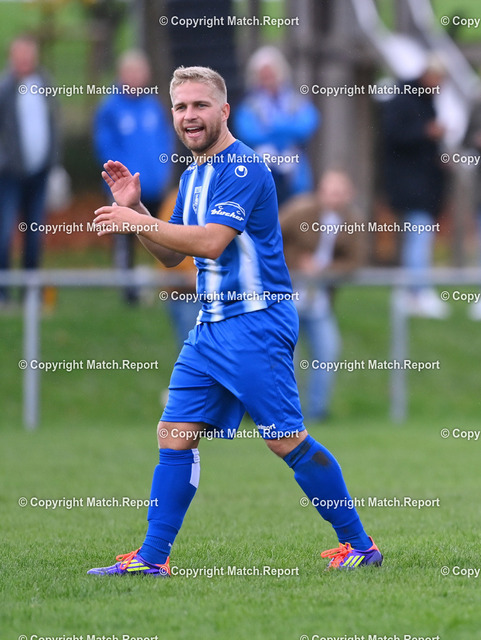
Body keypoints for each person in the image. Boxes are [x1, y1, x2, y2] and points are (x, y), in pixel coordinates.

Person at [88, 66, 382, 576]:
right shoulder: (191, 176)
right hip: (211, 327)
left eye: (200, 105)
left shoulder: (243, 167)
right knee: (174, 432)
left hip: (255, 321)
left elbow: (209, 242)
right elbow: (171, 255)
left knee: (285, 439)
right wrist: (138, 213)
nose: (189, 116)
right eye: (180, 107)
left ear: (224, 111)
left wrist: (138, 220)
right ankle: (152, 559)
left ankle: (360, 544)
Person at [280, 170, 364, 421]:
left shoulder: (352, 221)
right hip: (287, 298)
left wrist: (324, 269)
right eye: (329, 191)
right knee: (286, 359)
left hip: (319, 302)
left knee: (327, 352)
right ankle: (285, 413)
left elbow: (354, 262)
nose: (333, 198)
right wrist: (296, 263)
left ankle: (317, 411)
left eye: (339, 193)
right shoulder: (299, 211)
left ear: (349, 195)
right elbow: (269, 236)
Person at [93, 49, 173, 304]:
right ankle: (127, 291)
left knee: (160, 235)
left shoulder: (153, 106)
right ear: (121, 74)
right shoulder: (110, 108)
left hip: (155, 186)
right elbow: (105, 147)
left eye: (140, 72)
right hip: (125, 190)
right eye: (131, 72)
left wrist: (163, 171)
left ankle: (166, 286)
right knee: (126, 239)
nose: (136, 77)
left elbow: (164, 141)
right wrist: (120, 181)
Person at [381, 56, 449, 318]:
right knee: (419, 236)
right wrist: (426, 132)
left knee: (417, 237)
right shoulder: (403, 100)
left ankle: (410, 290)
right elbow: (394, 136)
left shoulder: (426, 101)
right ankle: (416, 292)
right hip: (411, 185)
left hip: (423, 184)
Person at [0, 35, 60, 304]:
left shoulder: (45, 84)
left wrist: (55, 165)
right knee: (4, 233)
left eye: (28, 54)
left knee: (34, 233)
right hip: (9, 175)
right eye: (20, 54)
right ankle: (3, 291)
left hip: (40, 173)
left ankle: (30, 292)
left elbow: (54, 126)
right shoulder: (5, 89)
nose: (24, 60)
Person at [234, 46, 319, 206]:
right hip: (262, 168)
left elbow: (307, 125)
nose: (268, 78)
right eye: (263, 75)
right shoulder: (250, 104)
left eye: (271, 74)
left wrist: (272, 128)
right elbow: (247, 133)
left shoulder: (295, 101)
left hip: (294, 173)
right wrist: (286, 130)